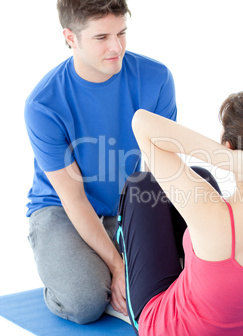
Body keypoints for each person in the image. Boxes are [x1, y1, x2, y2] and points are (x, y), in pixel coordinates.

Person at [24, 0, 180, 324]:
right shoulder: (43, 105)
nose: (116, 47)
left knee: (180, 279)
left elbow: (159, 173)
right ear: (70, 37)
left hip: (124, 205)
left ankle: (105, 255)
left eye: (122, 33)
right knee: (85, 301)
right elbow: (73, 198)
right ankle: (63, 272)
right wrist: (118, 266)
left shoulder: (157, 79)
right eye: (101, 37)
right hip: (62, 210)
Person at [117, 87, 243, 335]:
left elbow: (141, 123)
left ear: (228, 146)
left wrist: (229, 160)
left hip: (165, 327)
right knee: (202, 177)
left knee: (142, 185)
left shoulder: (214, 216)